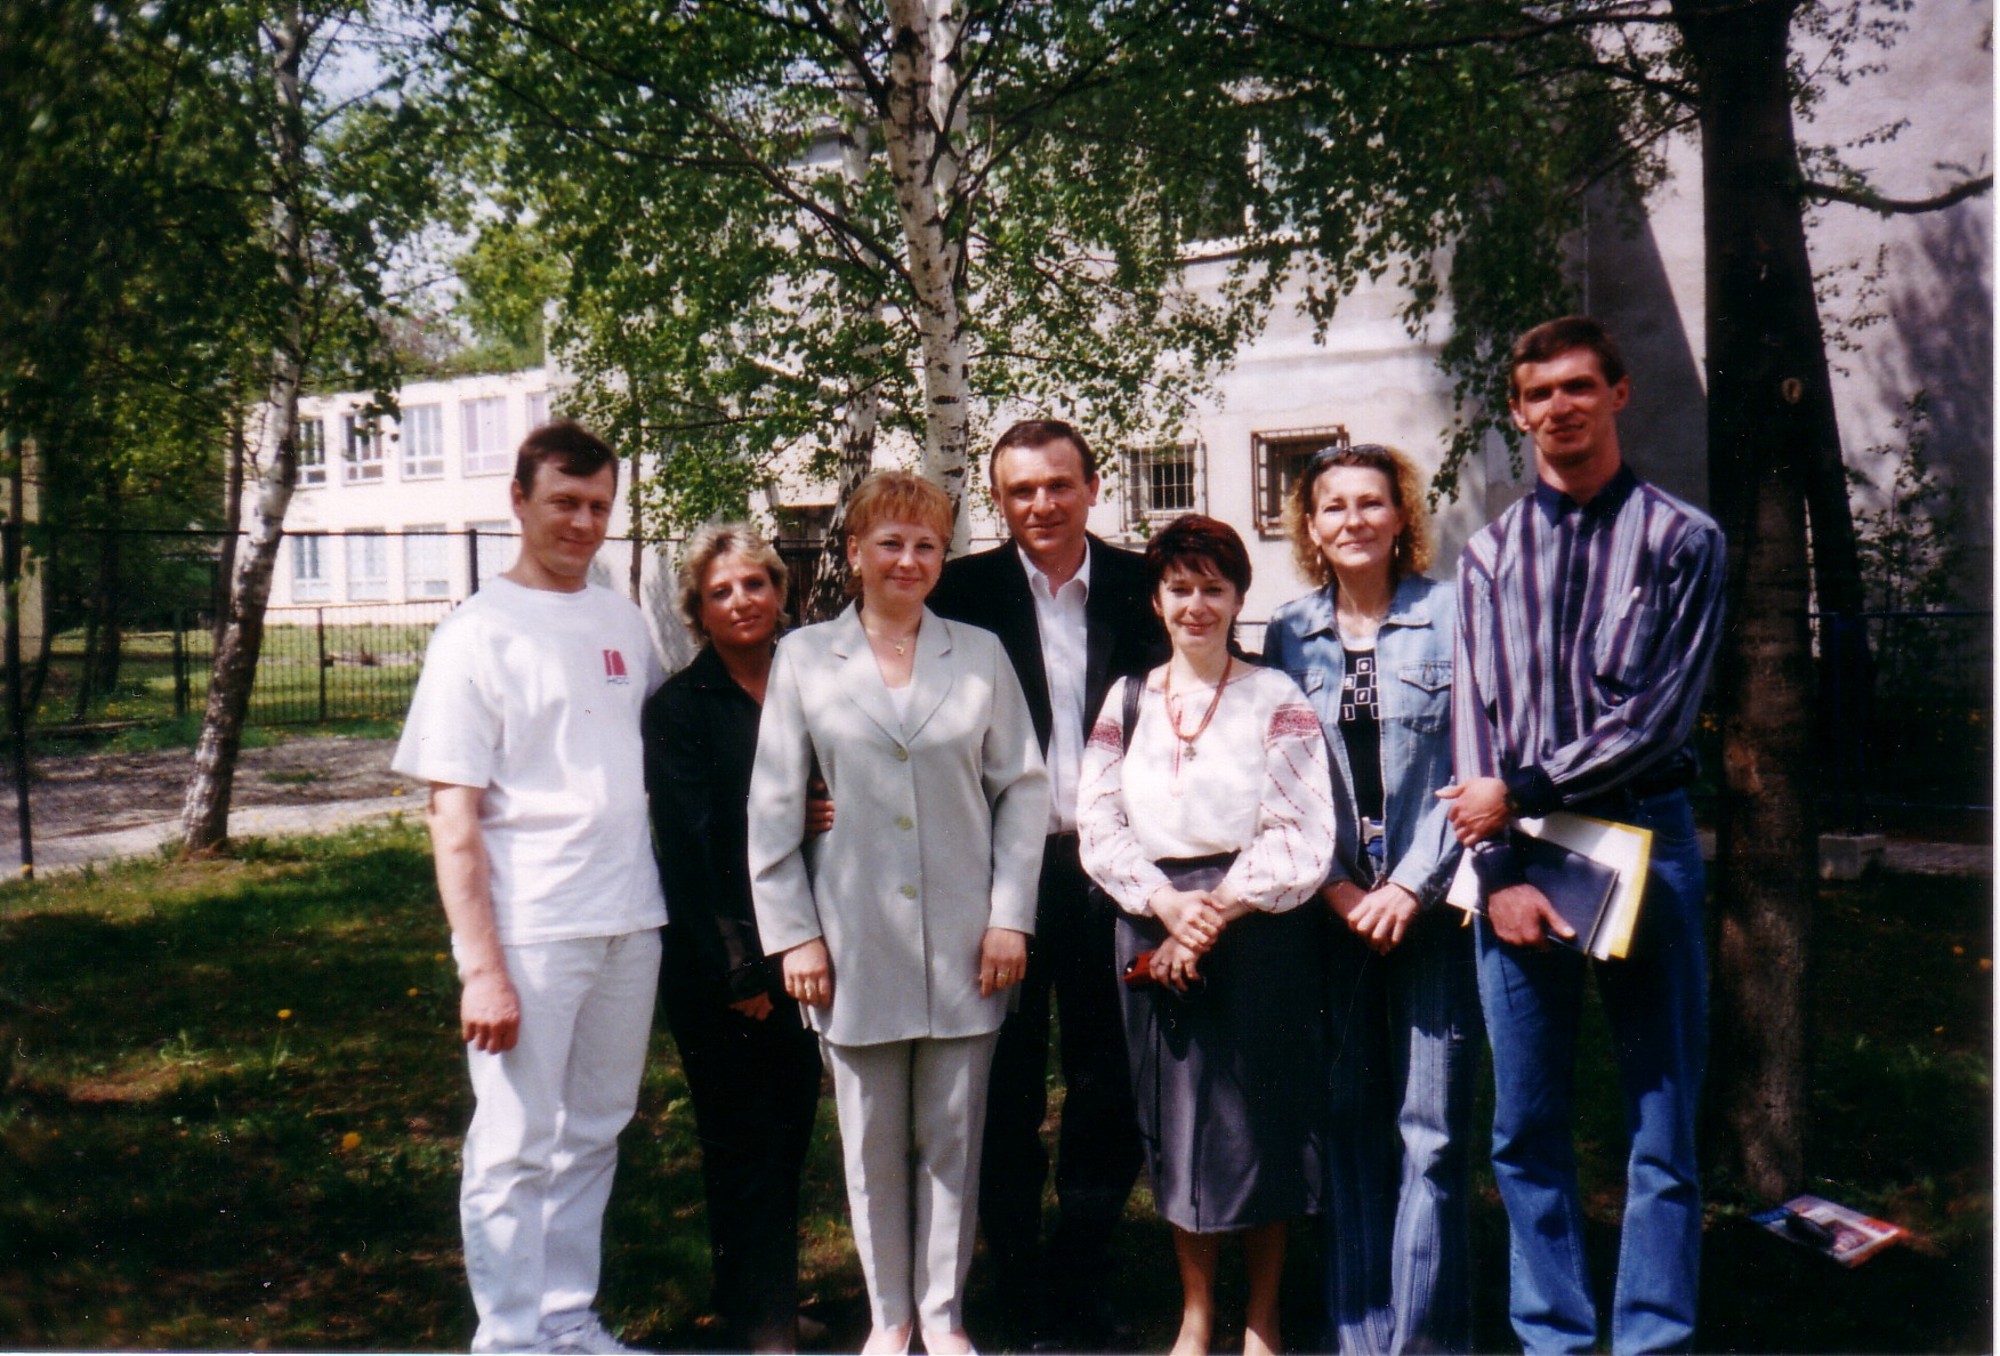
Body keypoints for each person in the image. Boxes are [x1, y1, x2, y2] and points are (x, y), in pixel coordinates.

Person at [1439, 316, 1725, 1353]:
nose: (1559, 407)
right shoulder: (1486, 557)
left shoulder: (1682, 540)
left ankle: (1651, 1335)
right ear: (1517, 415)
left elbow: (1659, 714)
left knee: (1661, 1116)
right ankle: (1552, 1336)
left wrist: (1518, 790)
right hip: (1519, 858)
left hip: (1643, 837)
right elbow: (1472, 718)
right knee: (1524, 1123)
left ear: (1618, 394)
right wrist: (1496, 868)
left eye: (1577, 387)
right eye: (1538, 394)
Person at [748, 470, 1050, 1356]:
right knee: (872, 1143)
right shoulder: (804, 658)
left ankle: (944, 1315)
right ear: (854, 553)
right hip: (852, 940)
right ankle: (890, 1318)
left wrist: (1010, 916)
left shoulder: (980, 654)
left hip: (968, 940)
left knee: (954, 1137)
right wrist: (795, 934)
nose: (908, 560)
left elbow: (1024, 791)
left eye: (926, 545)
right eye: (890, 543)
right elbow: (773, 806)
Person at [393, 421, 665, 1355]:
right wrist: (482, 970)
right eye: (563, 503)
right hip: (533, 929)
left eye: (598, 506)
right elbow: (452, 817)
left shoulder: (622, 620)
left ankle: (565, 1318)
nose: (582, 523)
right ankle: (509, 1338)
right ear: (518, 500)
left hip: (630, 916)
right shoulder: (476, 635)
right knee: (514, 1142)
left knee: (594, 1129)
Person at [926, 419, 1163, 1351]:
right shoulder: (962, 593)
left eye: (1059, 484)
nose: (1042, 504)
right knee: (1006, 1082)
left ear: (1093, 487)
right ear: (999, 502)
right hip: (1002, 875)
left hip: (1115, 869)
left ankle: (1083, 1268)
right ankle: (1016, 1273)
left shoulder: (1146, 587)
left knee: (1111, 1080)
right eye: (1021, 490)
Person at [1077, 514, 1335, 1356]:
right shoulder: (1126, 700)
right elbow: (1098, 820)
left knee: (1261, 1123)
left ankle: (1262, 1317)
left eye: (1212, 589)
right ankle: (1194, 1317)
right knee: (1177, 1125)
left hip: (1256, 927)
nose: (1196, 605)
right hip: (1152, 922)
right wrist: (1165, 904)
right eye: (1179, 588)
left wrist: (1214, 911)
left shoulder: (1276, 698)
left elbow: (1301, 826)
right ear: (1156, 600)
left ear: (1237, 598)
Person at [1264, 443, 1476, 1354]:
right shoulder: (1290, 632)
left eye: (1371, 502)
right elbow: (1281, 777)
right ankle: (1361, 1335)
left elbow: (1474, 760)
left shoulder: (1453, 613)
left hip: (1433, 906)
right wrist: (1342, 890)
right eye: (1333, 506)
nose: (1353, 519)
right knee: (1348, 1121)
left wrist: (1410, 887)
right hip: (1335, 908)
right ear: (1311, 529)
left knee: (1433, 1131)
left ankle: (1422, 1338)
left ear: (1401, 517)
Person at [642, 524, 826, 1353]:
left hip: (806, 944)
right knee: (743, 1140)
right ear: (698, 611)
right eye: (721, 592)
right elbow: (690, 850)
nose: (741, 601)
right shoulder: (680, 708)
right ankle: (761, 1319)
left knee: (788, 1136)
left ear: (780, 593)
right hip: (723, 961)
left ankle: (761, 1297)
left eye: (755, 584)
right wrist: (741, 972)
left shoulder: (812, 681)